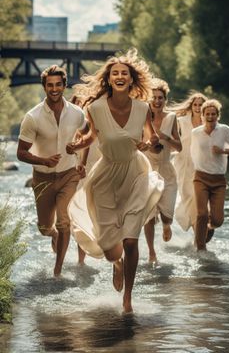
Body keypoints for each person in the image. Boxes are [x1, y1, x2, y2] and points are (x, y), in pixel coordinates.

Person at [66, 48, 164, 313]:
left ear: (131, 80)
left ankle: (128, 299)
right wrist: (76, 146)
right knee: (112, 250)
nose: (120, 76)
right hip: (106, 177)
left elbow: (152, 139)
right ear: (109, 80)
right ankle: (117, 264)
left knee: (131, 240)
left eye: (124, 73)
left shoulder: (143, 108)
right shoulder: (95, 108)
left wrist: (150, 144)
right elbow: (91, 138)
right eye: (115, 73)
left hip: (135, 174)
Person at [17, 65, 89, 276]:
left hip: (69, 174)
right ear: (44, 87)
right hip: (43, 178)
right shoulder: (33, 117)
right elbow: (21, 152)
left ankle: (57, 269)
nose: (54, 89)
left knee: (64, 220)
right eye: (50, 85)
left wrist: (81, 159)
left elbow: (87, 136)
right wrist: (43, 160)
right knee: (44, 227)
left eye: (58, 84)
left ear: (64, 85)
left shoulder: (77, 113)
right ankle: (54, 235)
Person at [190, 99, 229, 251]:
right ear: (203, 116)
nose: (210, 116)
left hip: (219, 180)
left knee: (217, 220)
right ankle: (200, 248)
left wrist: (223, 151)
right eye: (207, 114)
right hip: (200, 177)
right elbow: (192, 153)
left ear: (218, 115)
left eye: (213, 114)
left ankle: (209, 228)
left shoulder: (224, 130)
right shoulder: (196, 133)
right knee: (202, 214)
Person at [144, 78, 182, 263]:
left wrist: (167, 138)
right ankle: (151, 252)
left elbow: (179, 147)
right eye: (154, 97)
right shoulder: (142, 116)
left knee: (167, 215)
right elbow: (135, 144)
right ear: (149, 99)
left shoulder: (171, 118)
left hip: (167, 170)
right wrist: (148, 147)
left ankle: (167, 225)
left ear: (165, 99)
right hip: (147, 170)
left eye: (161, 97)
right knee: (149, 215)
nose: (157, 101)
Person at [69, 84, 101, 265]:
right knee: (74, 217)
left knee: (89, 215)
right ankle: (79, 258)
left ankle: (87, 256)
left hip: (95, 174)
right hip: (74, 175)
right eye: (78, 104)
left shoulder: (96, 127)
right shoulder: (71, 127)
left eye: (85, 104)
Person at [171, 92, 208, 232]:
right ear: (191, 106)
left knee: (199, 199)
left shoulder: (208, 122)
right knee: (188, 196)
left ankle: (199, 231)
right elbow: (173, 140)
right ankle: (196, 230)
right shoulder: (181, 122)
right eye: (195, 105)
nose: (198, 107)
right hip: (183, 165)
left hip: (201, 166)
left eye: (201, 105)